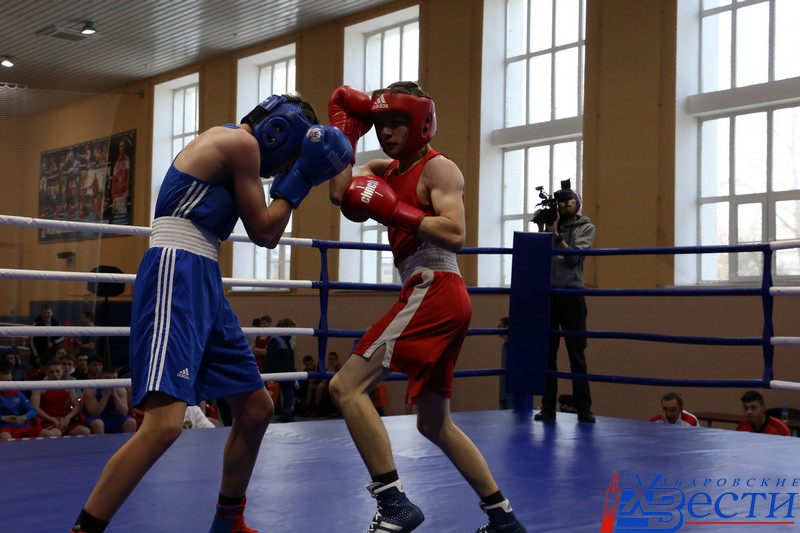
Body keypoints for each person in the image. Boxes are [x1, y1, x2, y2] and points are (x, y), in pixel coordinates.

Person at [70, 93, 351, 533]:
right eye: (289, 157)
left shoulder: (240, 147)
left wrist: (308, 172)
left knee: (256, 408)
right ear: (281, 131)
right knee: (163, 426)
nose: (280, 169)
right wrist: (302, 177)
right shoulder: (239, 144)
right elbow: (263, 231)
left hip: (202, 274)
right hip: (176, 270)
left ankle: (227, 524)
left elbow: (267, 230)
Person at [328, 81, 526, 533]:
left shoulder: (441, 170)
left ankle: (393, 502)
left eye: (396, 122)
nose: (387, 132)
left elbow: (456, 234)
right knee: (434, 424)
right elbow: (341, 196)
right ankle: (503, 520)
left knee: (345, 388)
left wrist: (397, 211)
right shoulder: (384, 167)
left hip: (434, 285)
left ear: (422, 122)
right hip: (431, 290)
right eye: (380, 123)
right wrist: (346, 133)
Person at [532, 179, 597, 424]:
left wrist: (556, 236)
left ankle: (584, 409)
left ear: (576, 203)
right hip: (549, 293)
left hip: (571, 294)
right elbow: (538, 257)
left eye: (569, 201)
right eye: (561, 202)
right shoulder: (552, 225)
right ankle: (548, 408)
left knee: (576, 355)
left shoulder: (585, 227)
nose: (564, 205)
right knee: (548, 355)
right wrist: (542, 231)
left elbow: (573, 259)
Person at [31, 358, 91, 437]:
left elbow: (77, 405)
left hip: (63, 420)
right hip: (46, 421)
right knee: (56, 434)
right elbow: (35, 407)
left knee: (85, 431)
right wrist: (52, 419)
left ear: (62, 371)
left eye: (58, 371)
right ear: (46, 372)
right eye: (51, 372)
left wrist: (67, 418)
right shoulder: (39, 387)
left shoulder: (67, 386)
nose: (55, 374)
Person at [0, 363, 59, 441]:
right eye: (3, 381)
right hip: (5, 427)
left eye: (9, 380)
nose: (7, 384)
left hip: (23, 426)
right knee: (5, 437)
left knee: (49, 434)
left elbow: (33, 410)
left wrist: (24, 417)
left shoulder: (17, 393)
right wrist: (3, 418)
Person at [83, 367, 137, 435]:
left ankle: (127, 445)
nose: (111, 381)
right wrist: (105, 397)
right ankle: (100, 445)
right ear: (100, 377)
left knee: (131, 422)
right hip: (97, 418)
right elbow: (93, 413)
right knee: (98, 424)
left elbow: (124, 412)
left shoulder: (120, 389)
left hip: (115, 417)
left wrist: (115, 396)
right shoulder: (91, 389)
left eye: (114, 378)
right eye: (107, 378)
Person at [264, 318, 297, 423]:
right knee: (275, 395)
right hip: (278, 372)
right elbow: (270, 358)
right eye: (292, 328)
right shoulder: (276, 340)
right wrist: (266, 375)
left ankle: (287, 414)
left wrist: (295, 373)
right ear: (286, 328)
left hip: (288, 372)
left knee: (289, 394)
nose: (293, 331)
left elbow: (291, 358)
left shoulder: (288, 341)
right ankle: (267, 415)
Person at [497, 316, 511, 410]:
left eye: (500, 326)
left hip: (512, 392)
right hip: (503, 390)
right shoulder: (504, 346)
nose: (497, 328)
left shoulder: (516, 347)